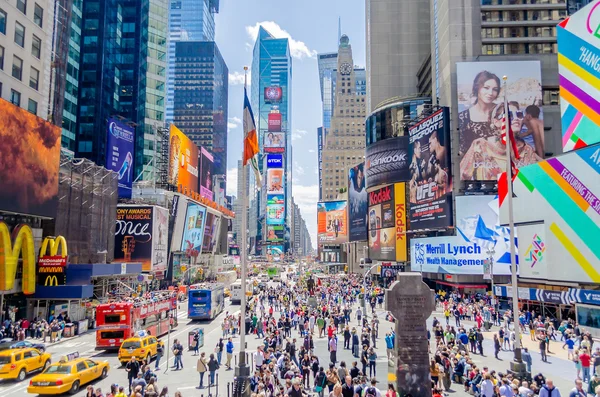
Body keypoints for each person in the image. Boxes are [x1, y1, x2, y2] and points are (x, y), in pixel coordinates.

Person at [458, 70, 501, 154]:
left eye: (495, 89)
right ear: (477, 87)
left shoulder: (503, 112)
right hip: (473, 165)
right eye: (486, 88)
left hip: (502, 164)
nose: (490, 93)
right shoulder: (463, 117)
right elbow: (461, 151)